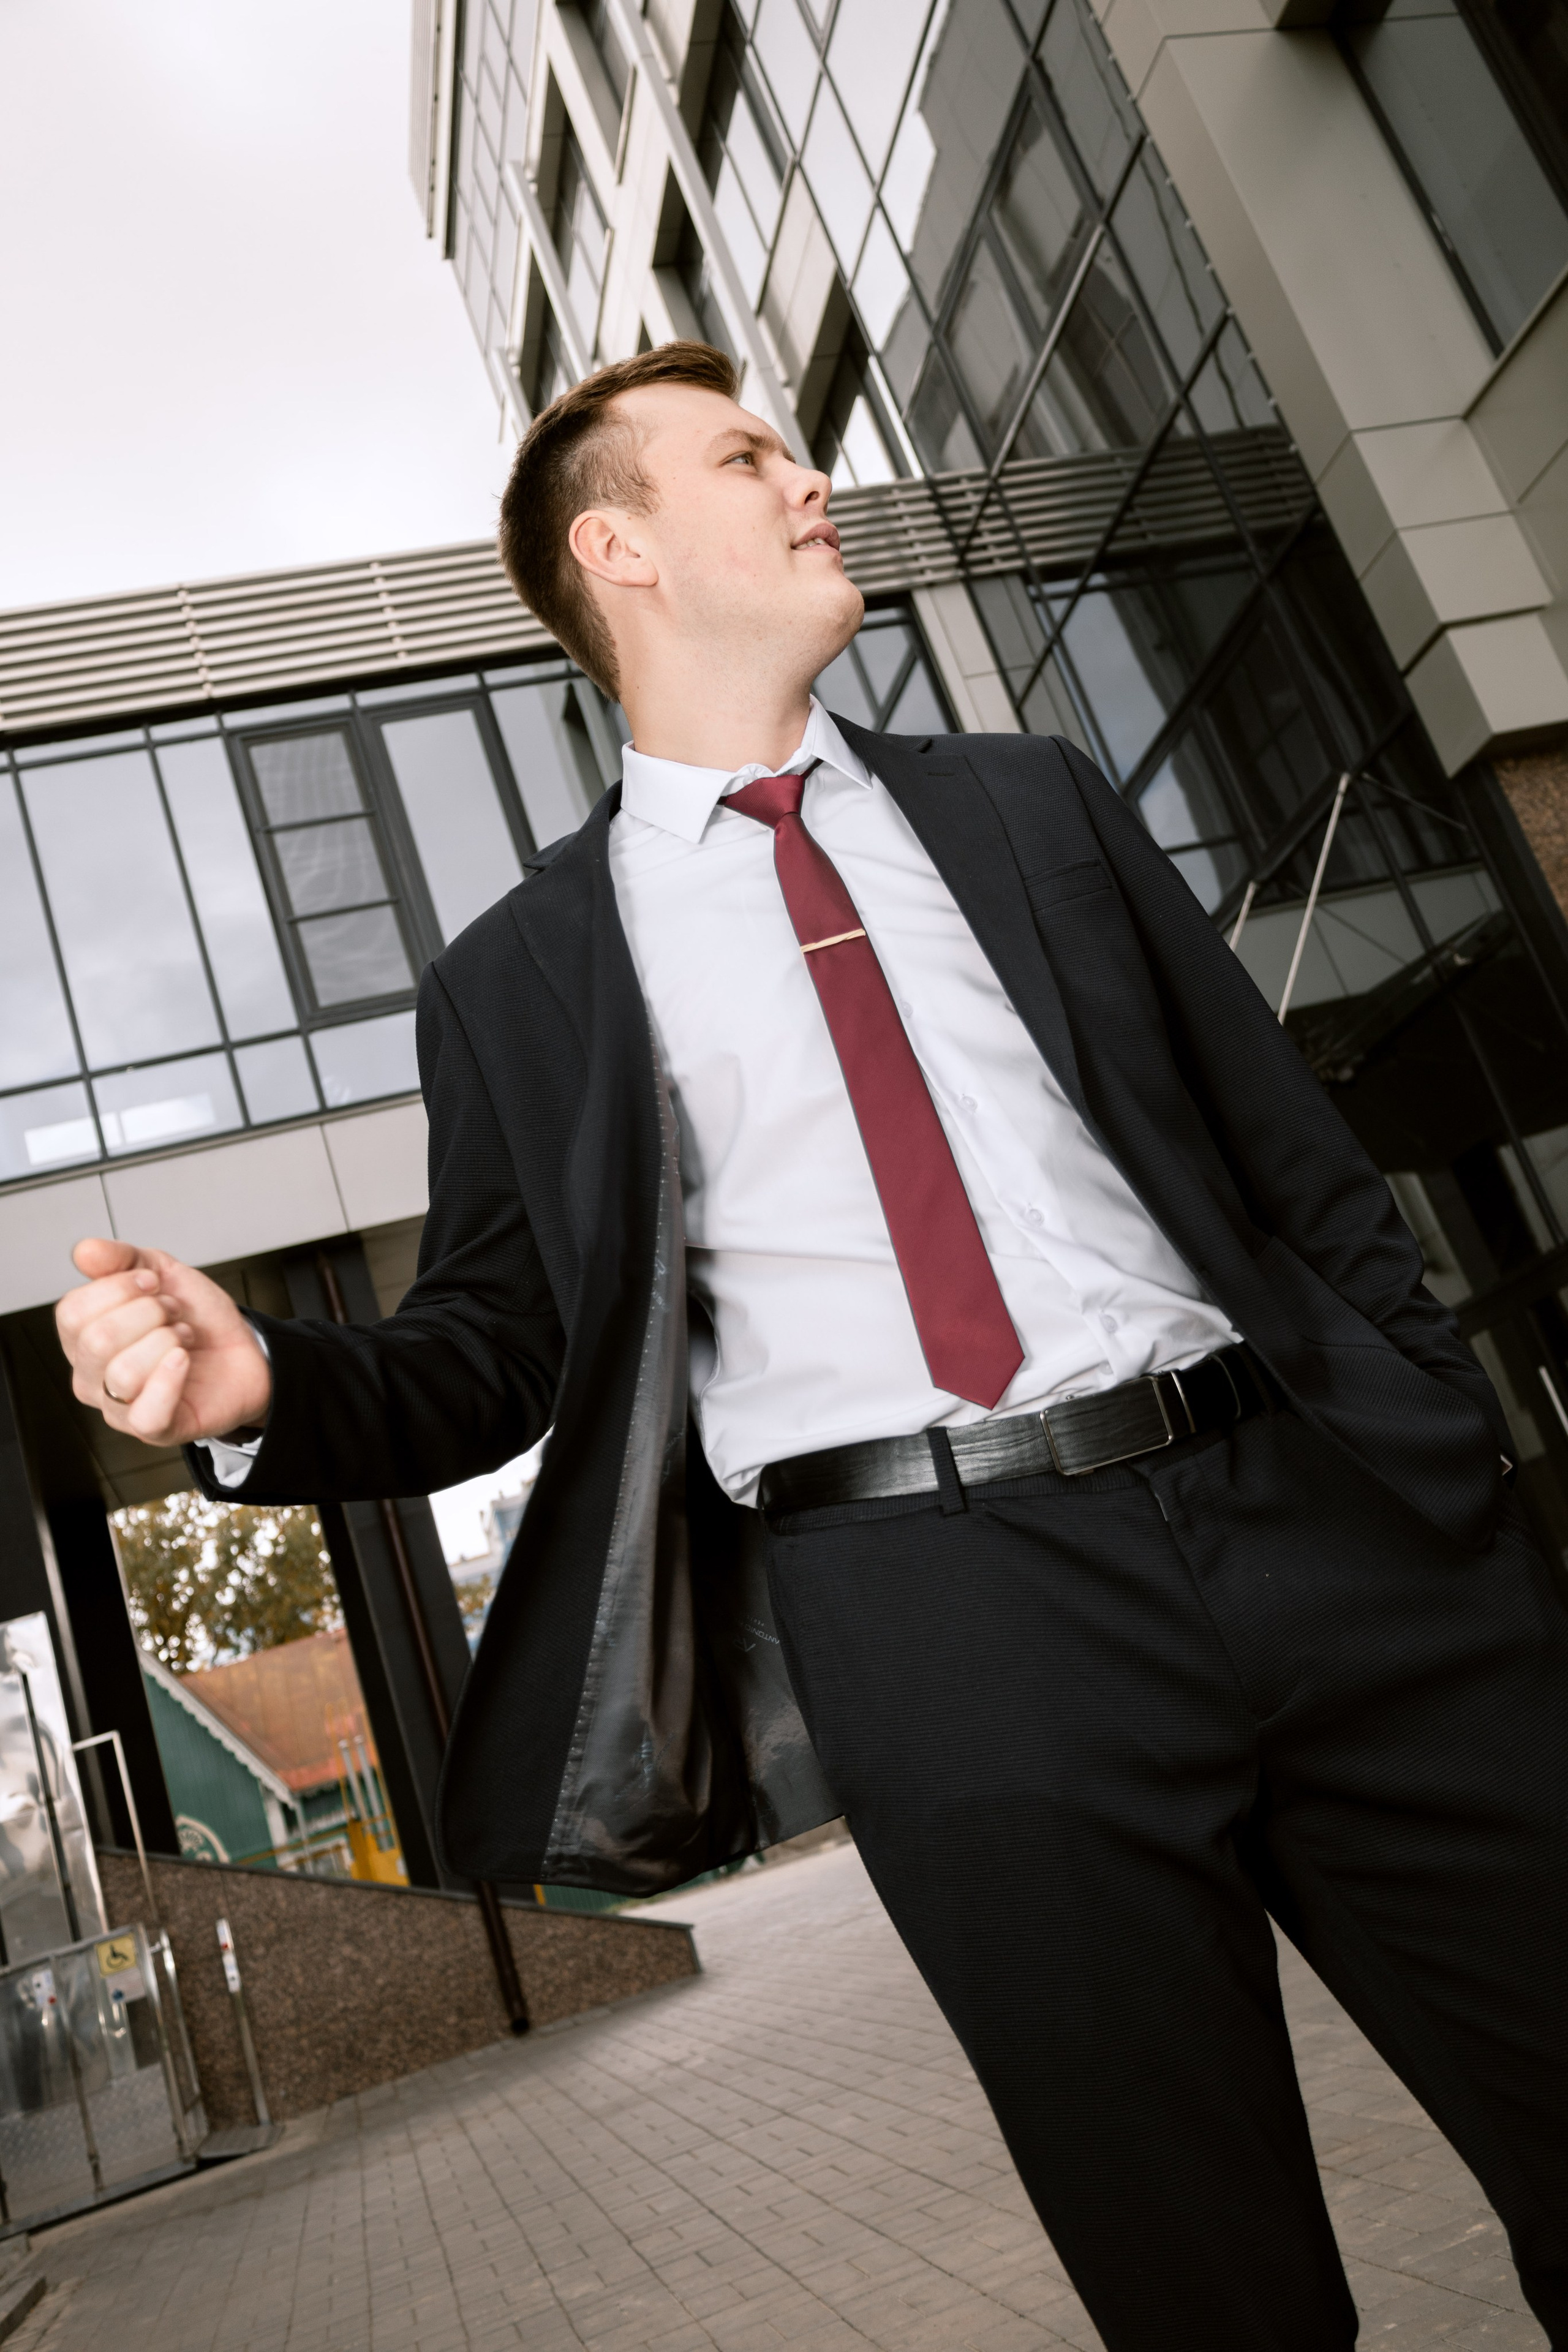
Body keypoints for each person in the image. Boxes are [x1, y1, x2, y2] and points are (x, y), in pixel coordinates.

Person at [56, 342, 1566, 2350]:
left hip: (1332, 1533)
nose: (810, 476)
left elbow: (1295, 1169)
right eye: (749, 455)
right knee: (1211, 2287)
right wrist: (260, 1395)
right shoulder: (526, 975)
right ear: (620, 549)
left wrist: (1436, 1466)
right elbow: (497, 1344)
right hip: (957, 1628)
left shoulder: (1031, 803)